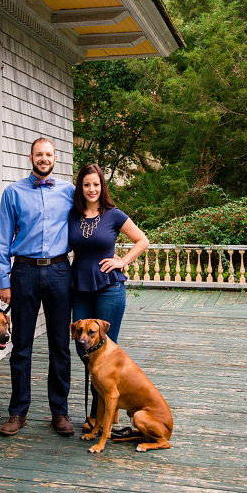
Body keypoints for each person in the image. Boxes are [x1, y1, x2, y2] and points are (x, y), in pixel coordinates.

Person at [0, 138, 76, 437]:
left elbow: (89, 222)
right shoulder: (13, 192)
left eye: (49, 154)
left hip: (59, 271)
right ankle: (18, 412)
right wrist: (3, 281)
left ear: (56, 157)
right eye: (39, 154)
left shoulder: (70, 191)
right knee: (22, 346)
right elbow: (2, 239)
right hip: (24, 272)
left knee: (60, 346)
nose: (44, 158)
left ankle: (60, 411)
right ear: (31, 157)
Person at [69, 163, 149, 433]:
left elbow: (142, 240)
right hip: (80, 288)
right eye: (87, 184)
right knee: (84, 350)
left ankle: (99, 415)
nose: (92, 189)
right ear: (80, 187)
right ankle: (104, 411)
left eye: (96, 184)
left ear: (102, 187)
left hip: (108, 289)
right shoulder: (73, 215)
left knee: (102, 353)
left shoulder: (114, 215)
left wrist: (122, 261)